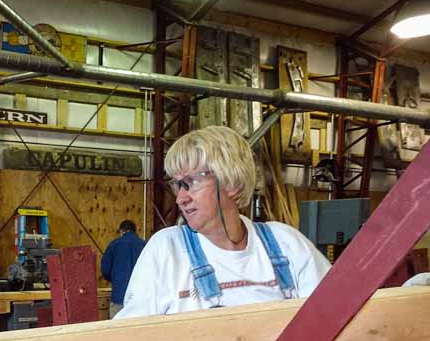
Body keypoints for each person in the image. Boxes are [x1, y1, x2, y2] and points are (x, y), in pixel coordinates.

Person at [116, 125, 331, 319]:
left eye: (191, 182)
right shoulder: (167, 249)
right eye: (177, 185)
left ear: (232, 182)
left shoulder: (286, 245)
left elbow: (334, 314)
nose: (181, 198)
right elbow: (131, 337)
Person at [101, 219, 146, 318]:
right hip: (140, 298)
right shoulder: (145, 245)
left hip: (119, 296)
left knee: (117, 330)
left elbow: (105, 270)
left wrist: (116, 279)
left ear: (121, 232)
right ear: (135, 231)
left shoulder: (114, 245)